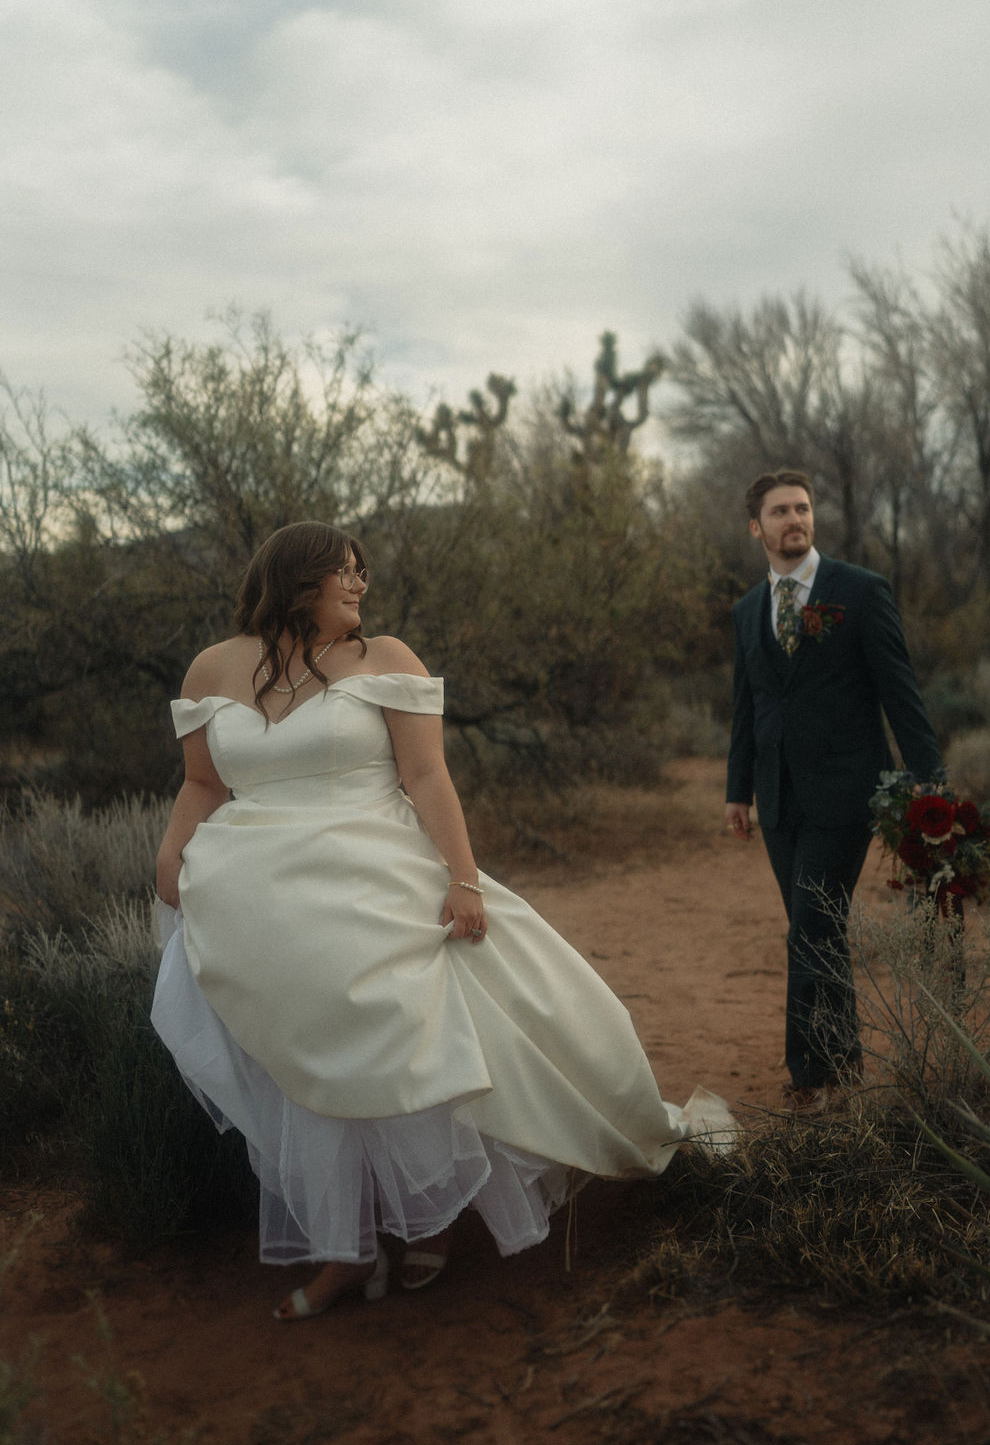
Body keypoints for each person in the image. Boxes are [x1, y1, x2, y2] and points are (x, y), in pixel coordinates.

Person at [152, 520, 733, 1319]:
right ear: (297, 580)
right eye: (343, 574)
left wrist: (464, 880)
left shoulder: (385, 658)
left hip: (373, 872)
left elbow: (427, 776)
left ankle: (437, 1216)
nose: (359, 586)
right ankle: (346, 1251)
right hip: (256, 898)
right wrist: (169, 856)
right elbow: (203, 785)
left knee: (408, 1036)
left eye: (362, 573)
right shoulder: (214, 667)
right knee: (298, 1064)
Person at [724, 470, 943, 1112]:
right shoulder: (746, 610)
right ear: (756, 527)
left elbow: (899, 690)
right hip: (778, 796)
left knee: (811, 927)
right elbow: (748, 707)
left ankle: (811, 1078)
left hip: (849, 790)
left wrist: (929, 774)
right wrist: (738, 791)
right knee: (814, 928)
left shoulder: (860, 592)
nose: (795, 519)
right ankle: (842, 1060)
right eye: (780, 511)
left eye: (803, 508)